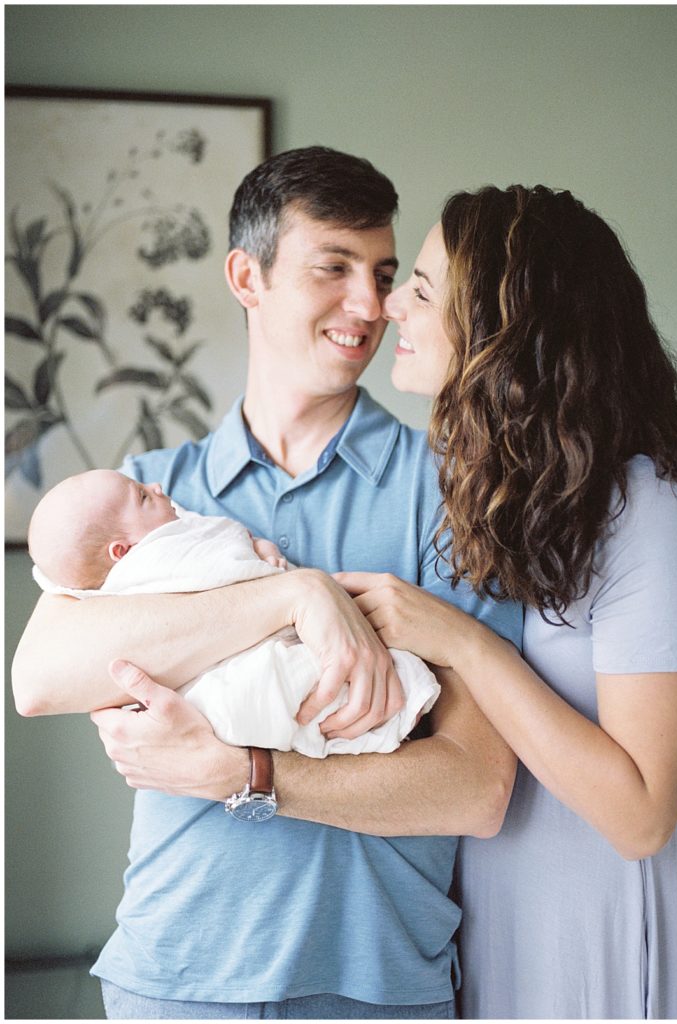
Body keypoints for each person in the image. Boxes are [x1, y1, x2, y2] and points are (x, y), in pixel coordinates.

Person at [12, 148, 521, 1020]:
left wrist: (245, 772)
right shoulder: (148, 493)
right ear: (248, 276)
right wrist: (295, 596)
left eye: (385, 273)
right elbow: (37, 681)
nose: (371, 305)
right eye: (334, 268)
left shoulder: (451, 493)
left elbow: (477, 786)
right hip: (171, 977)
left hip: (373, 985)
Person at [337, 184, 677, 1018]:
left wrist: (467, 644)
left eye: (421, 287)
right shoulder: (510, 496)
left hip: (589, 937)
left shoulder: (653, 508)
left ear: (505, 330)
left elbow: (641, 816)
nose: (390, 305)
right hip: (490, 925)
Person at [28, 468, 440, 756]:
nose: (156, 485)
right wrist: (294, 592)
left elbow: (482, 796)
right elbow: (33, 686)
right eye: (142, 494)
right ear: (124, 552)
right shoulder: (121, 525)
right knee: (281, 687)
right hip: (182, 871)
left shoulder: (432, 477)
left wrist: (259, 548)